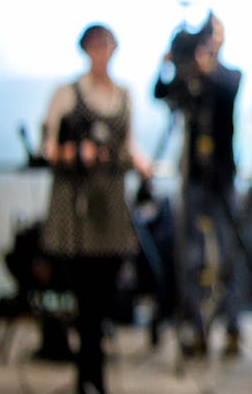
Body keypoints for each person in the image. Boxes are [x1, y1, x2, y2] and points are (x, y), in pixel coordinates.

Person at [40, 24, 152, 394]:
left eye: (108, 45)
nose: (102, 52)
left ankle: (92, 371)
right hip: (77, 207)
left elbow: (130, 143)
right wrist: (74, 154)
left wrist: (141, 162)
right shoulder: (68, 94)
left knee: (103, 296)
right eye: (96, 45)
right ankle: (90, 372)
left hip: (111, 207)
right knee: (84, 297)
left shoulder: (123, 95)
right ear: (86, 49)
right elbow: (49, 148)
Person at [153, 14, 243, 357]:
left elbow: (226, 90)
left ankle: (232, 325)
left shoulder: (229, 76)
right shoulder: (188, 77)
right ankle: (195, 325)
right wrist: (170, 62)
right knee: (188, 254)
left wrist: (205, 70)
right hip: (192, 177)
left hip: (222, 177)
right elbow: (160, 92)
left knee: (228, 253)